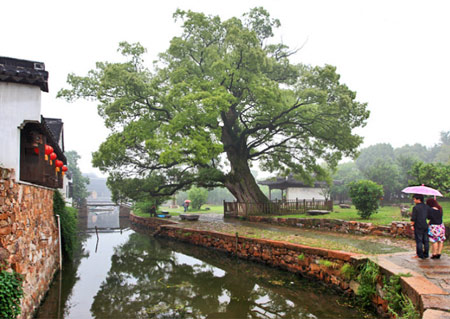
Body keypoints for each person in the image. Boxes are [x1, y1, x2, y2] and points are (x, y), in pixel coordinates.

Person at [410, 194, 430, 259]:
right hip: (425, 224)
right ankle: (426, 254)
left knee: (419, 240)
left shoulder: (415, 208)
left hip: (418, 225)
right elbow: (429, 216)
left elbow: (413, 218)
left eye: (414, 199)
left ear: (418, 199)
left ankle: (419, 254)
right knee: (426, 240)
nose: (414, 200)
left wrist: (412, 225)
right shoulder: (427, 207)